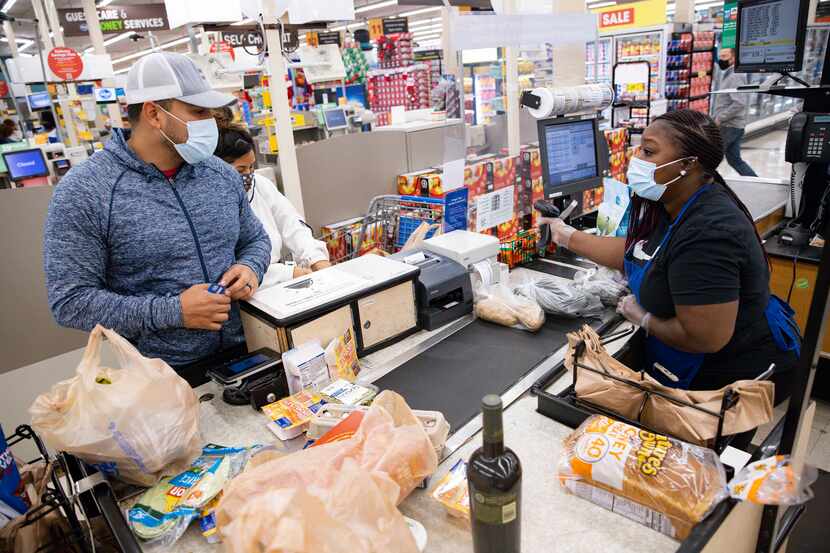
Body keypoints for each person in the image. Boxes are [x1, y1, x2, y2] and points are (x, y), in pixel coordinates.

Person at [543, 110, 799, 402]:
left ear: (688, 164)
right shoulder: (674, 198)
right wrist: (566, 236)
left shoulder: (710, 232)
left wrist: (645, 318)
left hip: (733, 373)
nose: (636, 158)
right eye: (639, 148)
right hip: (704, 355)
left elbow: (704, 337)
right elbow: (639, 250)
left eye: (649, 151)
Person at [44, 52, 271, 369]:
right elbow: (70, 301)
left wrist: (250, 268)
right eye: (198, 111)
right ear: (154, 114)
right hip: (162, 374)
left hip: (252, 349)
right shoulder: (86, 192)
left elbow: (256, 240)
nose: (211, 121)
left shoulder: (219, 175)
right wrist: (174, 311)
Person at [213, 117, 331, 288]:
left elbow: (290, 223)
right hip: (249, 292)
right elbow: (231, 267)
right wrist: (287, 273)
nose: (249, 174)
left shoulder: (259, 185)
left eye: (251, 167)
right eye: (241, 170)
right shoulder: (211, 203)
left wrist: (316, 259)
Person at [712, 48, 757, 177]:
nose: (721, 59)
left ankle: (706, 185)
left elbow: (739, 103)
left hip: (729, 125)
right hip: (733, 125)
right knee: (735, 160)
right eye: (720, 56)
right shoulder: (729, 74)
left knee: (712, 157)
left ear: (733, 58)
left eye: (724, 56)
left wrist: (720, 118)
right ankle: (754, 181)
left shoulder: (735, 76)